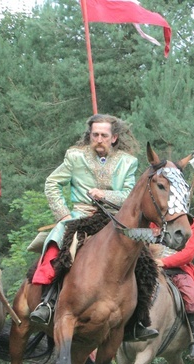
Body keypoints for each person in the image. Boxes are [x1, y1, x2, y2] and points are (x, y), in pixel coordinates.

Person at [28, 114, 156, 341]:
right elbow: (52, 182)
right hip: (81, 215)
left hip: (114, 220)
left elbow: (130, 195)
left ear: (114, 137)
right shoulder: (75, 157)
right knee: (57, 244)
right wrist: (63, 214)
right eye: (94, 135)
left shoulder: (128, 162)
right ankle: (47, 303)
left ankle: (138, 319)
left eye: (104, 135)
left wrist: (104, 194)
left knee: (144, 259)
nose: (98, 139)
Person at [158, 216, 194, 359]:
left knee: (192, 298)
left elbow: (188, 254)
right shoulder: (157, 216)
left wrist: (164, 262)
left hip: (177, 268)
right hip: (151, 261)